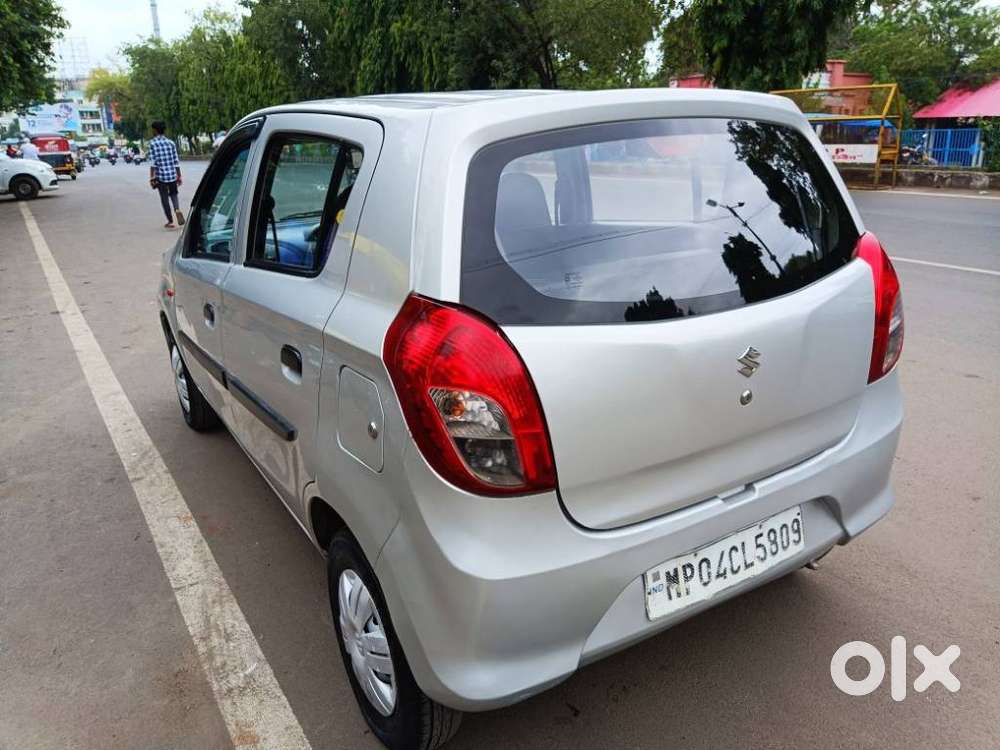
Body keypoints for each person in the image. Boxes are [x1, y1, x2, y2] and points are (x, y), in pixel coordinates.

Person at [148, 121, 184, 229]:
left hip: (161, 176)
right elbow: (176, 161)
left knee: (164, 198)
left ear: (155, 130)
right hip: (172, 175)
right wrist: (179, 175)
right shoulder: (171, 143)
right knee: (174, 194)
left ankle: (170, 221)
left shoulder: (153, 143)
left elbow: (153, 163)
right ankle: (177, 209)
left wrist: (151, 177)